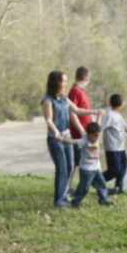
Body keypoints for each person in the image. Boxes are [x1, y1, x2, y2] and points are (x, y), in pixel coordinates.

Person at [41, 69, 94, 208]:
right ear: (55, 82)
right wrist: (56, 132)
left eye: (66, 81)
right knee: (62, 169)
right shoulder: (48, 100)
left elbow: (77, 110)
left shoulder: (65, 99)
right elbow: (49, 120)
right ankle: (59, 201)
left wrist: (94, 111)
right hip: (55, 139)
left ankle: (65, 195)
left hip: (68, 137)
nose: (65, 84)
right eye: (63, 81)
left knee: (70, 168)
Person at [64, 121, 110, 207]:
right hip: (86, 169)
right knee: (84, 187)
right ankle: (76, 201)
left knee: (102, 183)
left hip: (95, 168)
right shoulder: (84, 141)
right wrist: (62, 139)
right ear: (89, 134)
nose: (97, 138)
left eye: (98, 136)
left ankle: (104, 200)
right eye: (95, 136)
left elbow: (98, 122)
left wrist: (99, 114)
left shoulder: (96, 136)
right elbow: (73, 141)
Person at [101, 93, 127, 194]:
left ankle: (118, 187)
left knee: (123, 167)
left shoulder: (118, 115)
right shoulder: (109, 115)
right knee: (114, 170)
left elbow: (125, 128)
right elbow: (100, 127)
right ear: (121, 104)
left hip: (120, 147)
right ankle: (96, 181)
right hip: (112, 147)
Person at [68, 66, 92, 174]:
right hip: (78, 132)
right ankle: (69, 187)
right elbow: (72, 111)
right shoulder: (75, 91)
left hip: (86, 130)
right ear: (86, 79)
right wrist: (81, 129)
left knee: (87, 159)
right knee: (76, 161)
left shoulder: (81, 91)